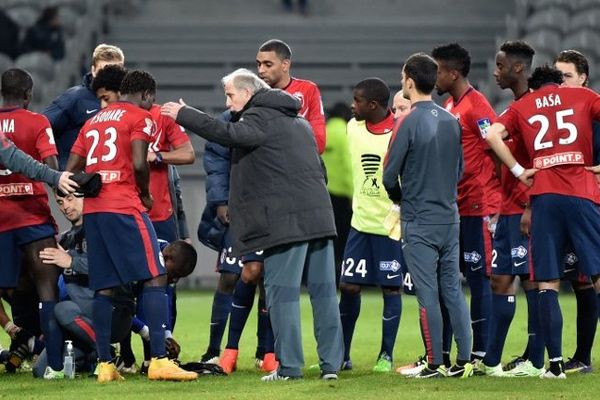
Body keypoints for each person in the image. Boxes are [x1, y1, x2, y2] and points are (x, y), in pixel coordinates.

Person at [162, 68, 343, 381]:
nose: (229, 103)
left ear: (248, 93)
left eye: (231, 95)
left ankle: (289, 368)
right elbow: (320, 171)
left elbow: (228, 136)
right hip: (320, 219)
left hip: (287, 223)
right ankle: (331, 367)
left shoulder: (259, 119)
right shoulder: (298, 122)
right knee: (325, 294)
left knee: (282, 295)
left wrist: (185, 114)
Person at [65, 70, 197, 382]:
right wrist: (145, 195)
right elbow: (140, 163)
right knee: (155, 274)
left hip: (94, 212)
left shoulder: (93, 121)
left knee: (105, 286)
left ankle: (105, 365)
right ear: (148, 95)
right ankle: (159, 361)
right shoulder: (140, 116)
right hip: (124, 206)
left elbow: (70, 170)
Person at [213, 39, 329, 374]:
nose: (261, 69)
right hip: (255, 203)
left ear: (285, 64)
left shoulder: (305, 93)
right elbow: (220, 154)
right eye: (258, 64)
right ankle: (226, 349)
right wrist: (221, 197)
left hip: (290, 199)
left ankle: (273, 355)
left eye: (267, 64)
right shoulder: (242, 104)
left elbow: (317, 142)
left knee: (277, 281)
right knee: (246, 273)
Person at [485, 64, 600, 379]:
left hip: (544, 197)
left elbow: (492, 134)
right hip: (583, 193)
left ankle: (556, 366)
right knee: (597, 275)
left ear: (534, 88)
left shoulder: (523, 105)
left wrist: (520, 172)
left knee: (547, 282)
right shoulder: (583, 96)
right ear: (559, 84)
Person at [382, 53, 472, 379]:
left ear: (409, 81)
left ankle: (434, 364)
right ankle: (463, 361)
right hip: (450, 217)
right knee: (453, 291)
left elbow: (389, 175)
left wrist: (401, 200)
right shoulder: (451, 119)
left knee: (427, 295)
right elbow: (460, 170)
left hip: (419, 220)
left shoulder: (406, 121)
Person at [0, 68, 77, 379]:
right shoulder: (38, 122)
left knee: (10, 288)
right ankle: (55, 366)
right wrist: (61, 183)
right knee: (47, 290)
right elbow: (50, 167)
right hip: (32, 216)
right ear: (28, 94)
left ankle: (19, 338)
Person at [475, 40, 545, 377]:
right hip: (507, 208)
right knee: (500, 282)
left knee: (531, 282)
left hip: (525, 209)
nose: (496, 72)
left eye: (501, 66)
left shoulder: (535, 112)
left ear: (518, 68)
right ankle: (492, 362)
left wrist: (530, 206)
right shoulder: (510, 112)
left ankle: (535, 359)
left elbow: (541, 165)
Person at [431, 43, 500, 365]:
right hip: (457, 204)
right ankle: (450, 351)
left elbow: (498, 148)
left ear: (453, 72)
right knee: (454, 277)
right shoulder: (449, 104)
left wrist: (495, 195)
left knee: (478, 276)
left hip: (479, 204)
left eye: (438, 70)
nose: (434, 76)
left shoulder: (477, 106)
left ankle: (482, 352)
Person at [338, 78, 404, 373]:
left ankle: (386, 355)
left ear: (373, 105)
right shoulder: (353, 128)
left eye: (357, 100)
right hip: (360, 225)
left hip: (391, 227)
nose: (353, 106)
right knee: (349, 286)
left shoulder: (399, 132)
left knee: (391, 289)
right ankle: (342, 354)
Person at [554, 49, 598, 375]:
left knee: (590, 279)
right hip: (565, 203)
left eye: (566, 76)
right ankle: (581, 357)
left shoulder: (592, 111)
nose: (561, 83)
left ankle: (582, 357)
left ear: (583, 77)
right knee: (579, 282)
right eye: (557, 77)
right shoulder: (555, 113)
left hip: (589, 205)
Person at [44, 43, 124, 168]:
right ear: (93, 70)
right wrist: (55, 173)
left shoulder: (127, 100)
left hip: (112, 178)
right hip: (78, 180)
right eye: (102, 71)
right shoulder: (74, 98)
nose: (107, 77)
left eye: (114, 71)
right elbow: (41, 127)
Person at [321, 102, 353, 268]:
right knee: (342, 237)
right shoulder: (344, 132)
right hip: (341, 194)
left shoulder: (324, 131)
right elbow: (348, 166)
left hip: (323, 191)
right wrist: (352, 194)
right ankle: (340, 273)